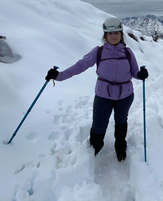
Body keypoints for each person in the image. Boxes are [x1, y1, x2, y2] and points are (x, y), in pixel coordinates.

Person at [45, 17, 148, 161]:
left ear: (121, 34)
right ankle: (94, 147)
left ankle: (120, 146)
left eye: (116, 33)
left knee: (121, 121)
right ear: (105, 35)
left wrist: (140, 75)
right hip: (103, 95)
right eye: (110, 33)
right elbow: (80, 66)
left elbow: (134, 72)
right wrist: (59, 76)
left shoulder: (128, 52)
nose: (113, 36)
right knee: (99, 125)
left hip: (125, 95)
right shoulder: (98, 52)